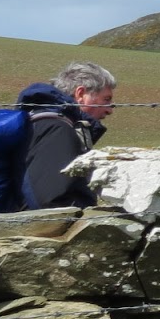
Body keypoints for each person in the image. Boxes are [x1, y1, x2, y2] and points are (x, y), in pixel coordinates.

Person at [16, 61, 116, 209]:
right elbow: (50, 201)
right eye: (106, 99)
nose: (109, 110)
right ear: (80, 94)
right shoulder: (57, 128)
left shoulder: (43, 120)